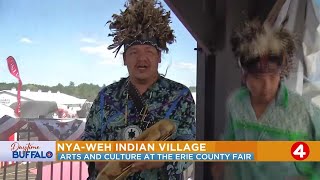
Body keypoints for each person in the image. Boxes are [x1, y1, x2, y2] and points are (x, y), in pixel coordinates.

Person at [81, 0, 196, 179]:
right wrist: (100, 159)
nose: (141, 58)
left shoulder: (180, 96)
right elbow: (88, 142)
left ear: (159, 56)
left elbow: (189, 149)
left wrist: (158, 159)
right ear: (124, 58)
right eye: (134, 52)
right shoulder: (106, 96)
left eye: (149, 51)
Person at [216, 19, 320, 179]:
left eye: (273, 76)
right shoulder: (235, 102)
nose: (266, 85)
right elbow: (229, 142)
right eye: (257, 77)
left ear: (281, 73)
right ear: (245, 76)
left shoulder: (303, 110)